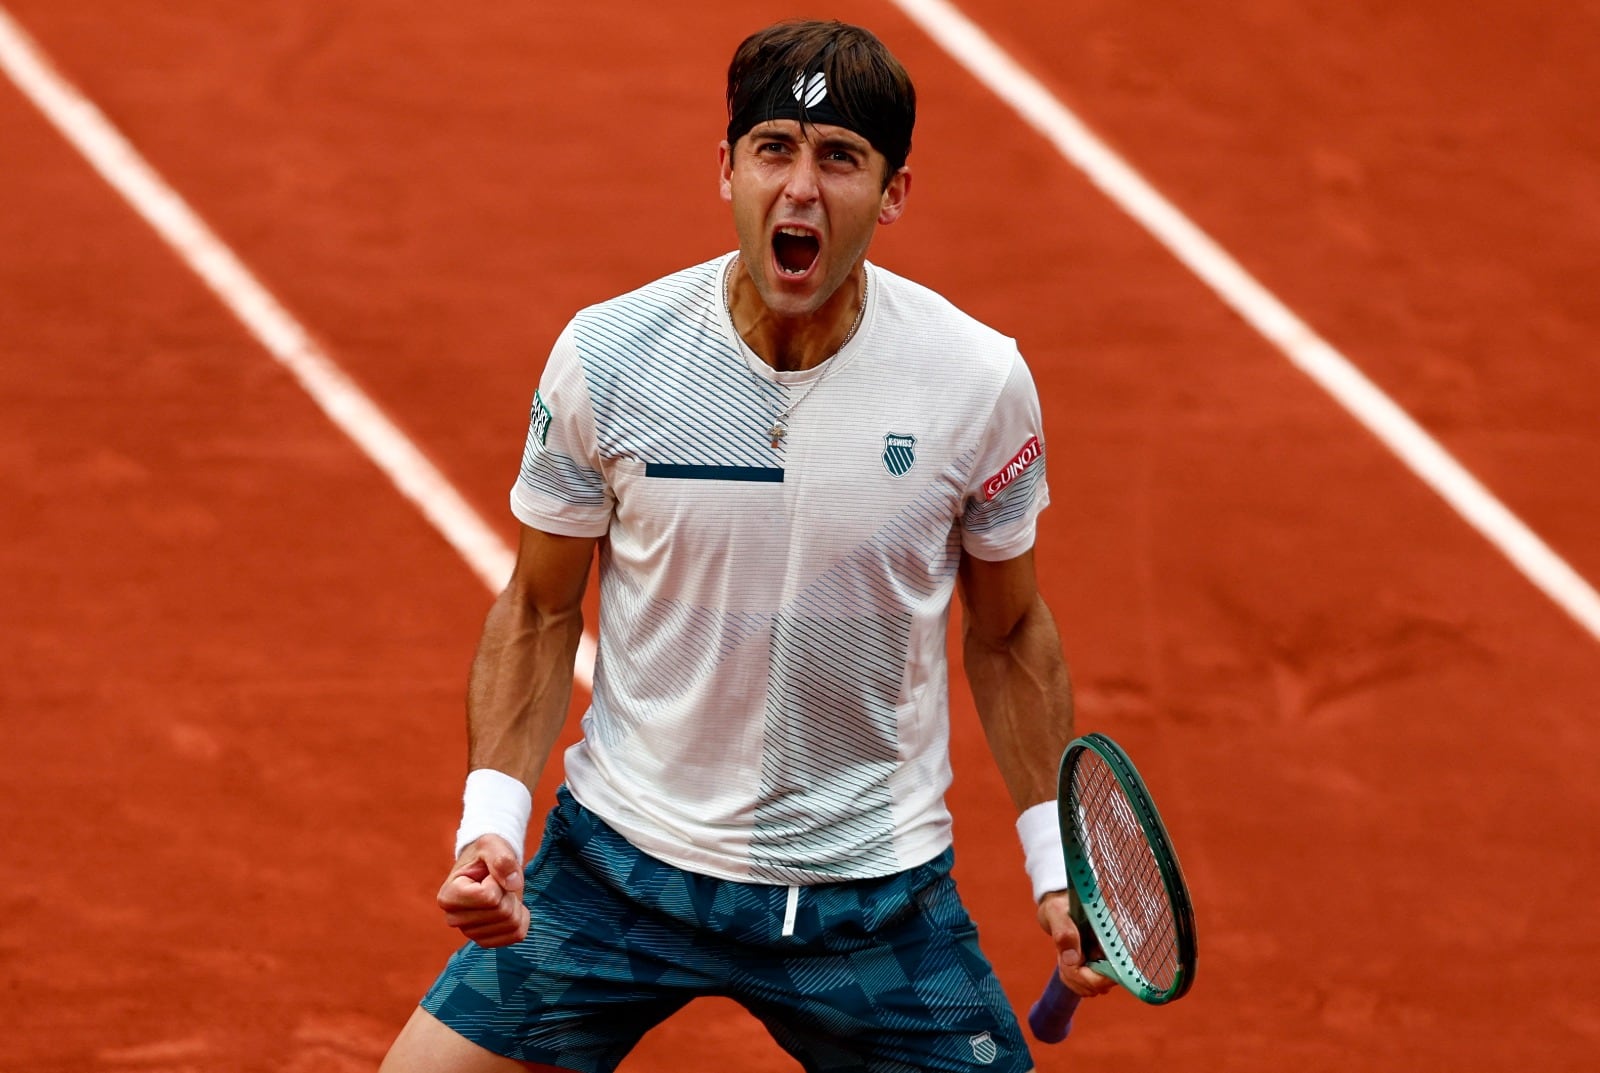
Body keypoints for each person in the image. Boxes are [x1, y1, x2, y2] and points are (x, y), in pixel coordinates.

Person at [381, 18, 1114, 1073]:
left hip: (871, 898)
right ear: (724, 167)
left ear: (893, 192)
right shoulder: (613, 355)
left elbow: (1007, 634)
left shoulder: (973, 381)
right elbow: (540, 609)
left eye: (839, 159)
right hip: (619, 874)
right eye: (774, 148)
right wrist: (489, 825)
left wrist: (1058, 866)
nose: (800, 189)